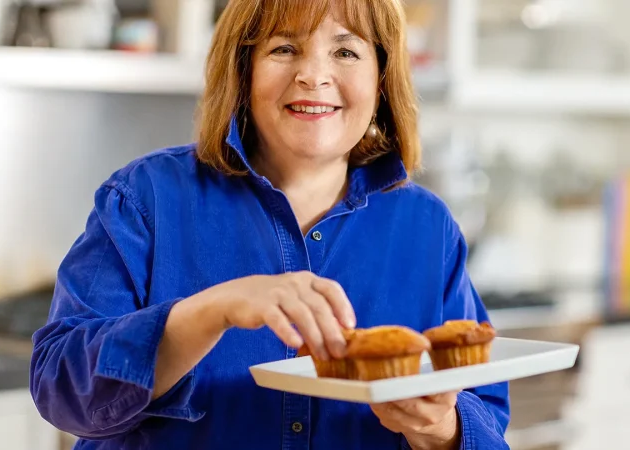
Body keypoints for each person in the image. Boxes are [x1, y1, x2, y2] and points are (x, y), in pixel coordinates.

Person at [29, 0, 510, 448]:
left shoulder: (426, 227)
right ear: (244, 70)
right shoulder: (145, 198)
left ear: (382, 78)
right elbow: (60, 389)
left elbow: (487, 417)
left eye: (346, 50)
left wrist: (442, 429)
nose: (313, 75)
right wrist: (212, 311)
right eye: (284, 48)